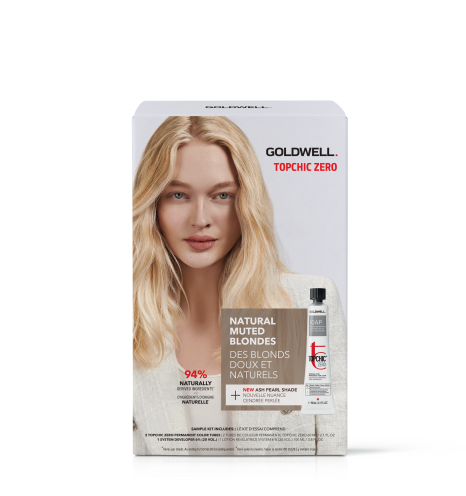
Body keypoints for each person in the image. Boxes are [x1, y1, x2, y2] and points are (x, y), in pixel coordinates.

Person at [132, 116, 347, 455]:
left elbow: (330, 453)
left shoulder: (305, 303)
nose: (200, 219)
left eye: (222, 195)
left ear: (247, 201)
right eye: (178, 194)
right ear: (152, 203)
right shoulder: (135, 316)